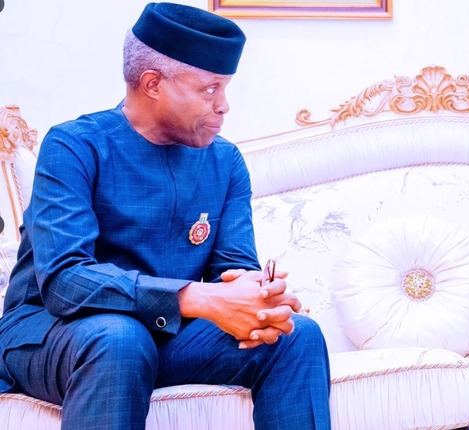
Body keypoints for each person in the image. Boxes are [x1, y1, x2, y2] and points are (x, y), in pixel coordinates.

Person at [0, 3, 331, 429]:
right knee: (120, 338)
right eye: (209, 89)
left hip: (167, 337)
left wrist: (257, 300)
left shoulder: (225, 162)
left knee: (295, 335)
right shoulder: (73, 147)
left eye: (226, 89)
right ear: (152, 83)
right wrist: (194, 297)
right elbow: (65, 281)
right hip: (52, 333)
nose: (223, 106)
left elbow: (233, 270)